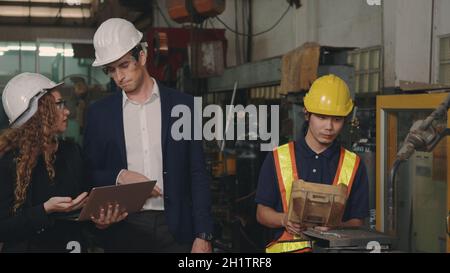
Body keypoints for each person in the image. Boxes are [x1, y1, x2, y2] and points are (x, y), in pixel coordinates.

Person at [83, 18, 213, 253]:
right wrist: (119, 175)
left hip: (176, 228)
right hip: (124, 227)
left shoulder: (184, 106)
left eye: (124, 65)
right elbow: (88, 173)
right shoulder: (98, 114)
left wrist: (203, 233)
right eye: (111, 70)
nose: (118, 77)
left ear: (141, 57)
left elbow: (198, 172)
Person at [255, 74, 369, 253]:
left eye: (337, 119)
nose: (329, 127)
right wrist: (285, 220)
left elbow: (358, 221)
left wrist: (337, 226)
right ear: (307, 114)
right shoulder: (278, 157)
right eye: (322, 117)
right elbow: (261, 213)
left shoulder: (354, 164)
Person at [0, 73, 90, 252]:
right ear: (38, 113)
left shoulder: (72, 151)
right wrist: (45, 210)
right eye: (59, 105)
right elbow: (3, 228)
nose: (67, 111)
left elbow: (87, 198)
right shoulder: (8, 162)